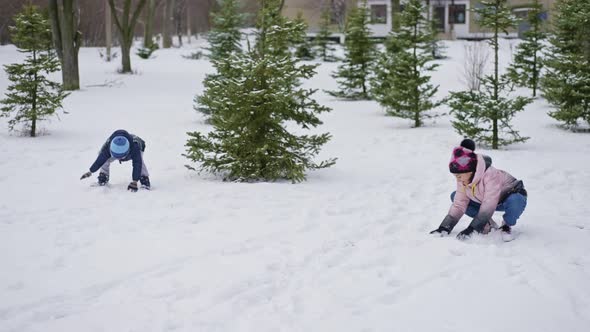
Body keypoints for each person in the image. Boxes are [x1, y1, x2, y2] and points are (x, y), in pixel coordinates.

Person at [430, 139, 527, 241]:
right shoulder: (463, 179)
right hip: (484, 199)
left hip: (509, 196)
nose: (457, 179)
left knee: (516, 201)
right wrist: (445, 227)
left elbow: (489, 203)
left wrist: (473, 228)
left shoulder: (491, 175)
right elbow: (459, 204)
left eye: (459, 175)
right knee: (455, 196)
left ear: (470, 170)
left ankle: (506, 225)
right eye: (455, 176)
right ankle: (488, 223)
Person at [80, 129, 150, 192]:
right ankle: (103, 176)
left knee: (140, 161)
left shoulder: (135, 148)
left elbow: (137, 163)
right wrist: (90, 171)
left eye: (121, 157)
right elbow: (100, 160)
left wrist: (134, 181)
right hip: (118, 151)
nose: (119, 159)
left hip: (137, 147)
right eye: (116, 156)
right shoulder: (107, 147)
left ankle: (144, 178)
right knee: (104, 159)